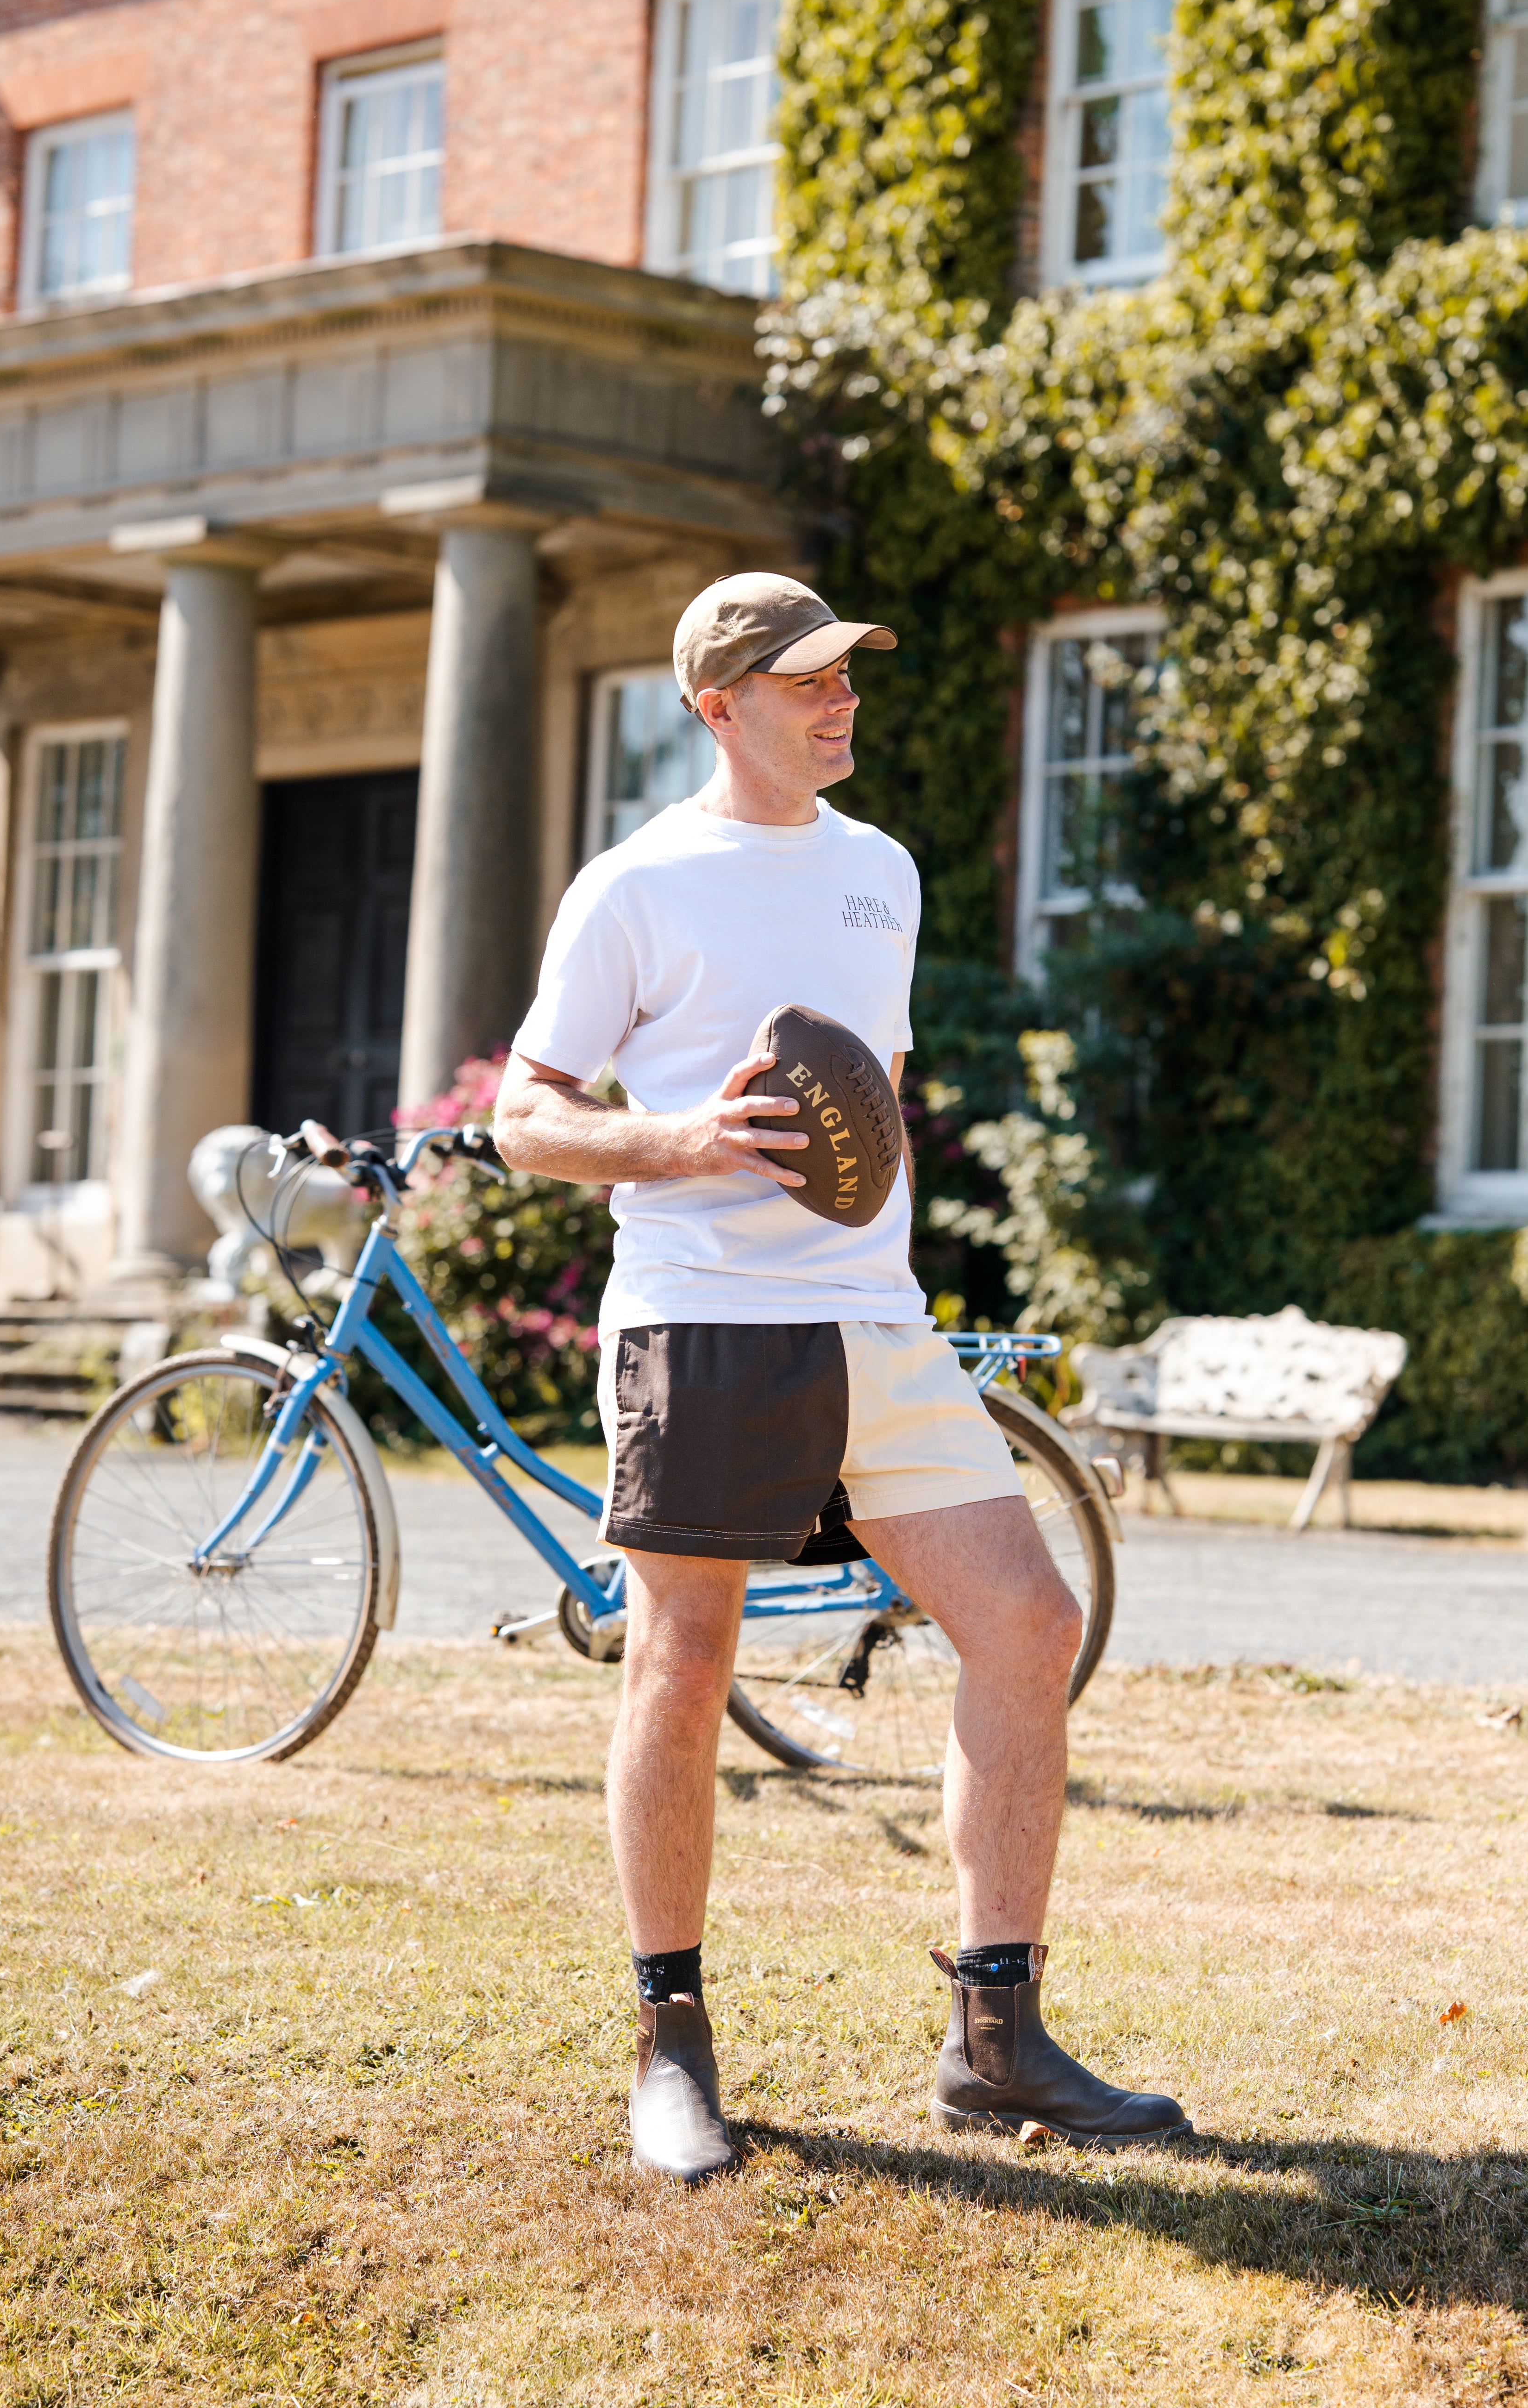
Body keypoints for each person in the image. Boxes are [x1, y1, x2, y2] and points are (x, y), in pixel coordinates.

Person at [492, 572, 1190, 2181]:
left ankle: (994, 2037)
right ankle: (670, 2048)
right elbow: (527, 1112)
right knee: (682, 1657)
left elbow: (871, 1080)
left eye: (846, 672)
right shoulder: (637, 883)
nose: (840, 698)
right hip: (704, 1313)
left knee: (1030, 1622)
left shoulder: (885, 872)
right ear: (718, 705)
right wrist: (675, 1139)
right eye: (804, 679)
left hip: (872, 1316)